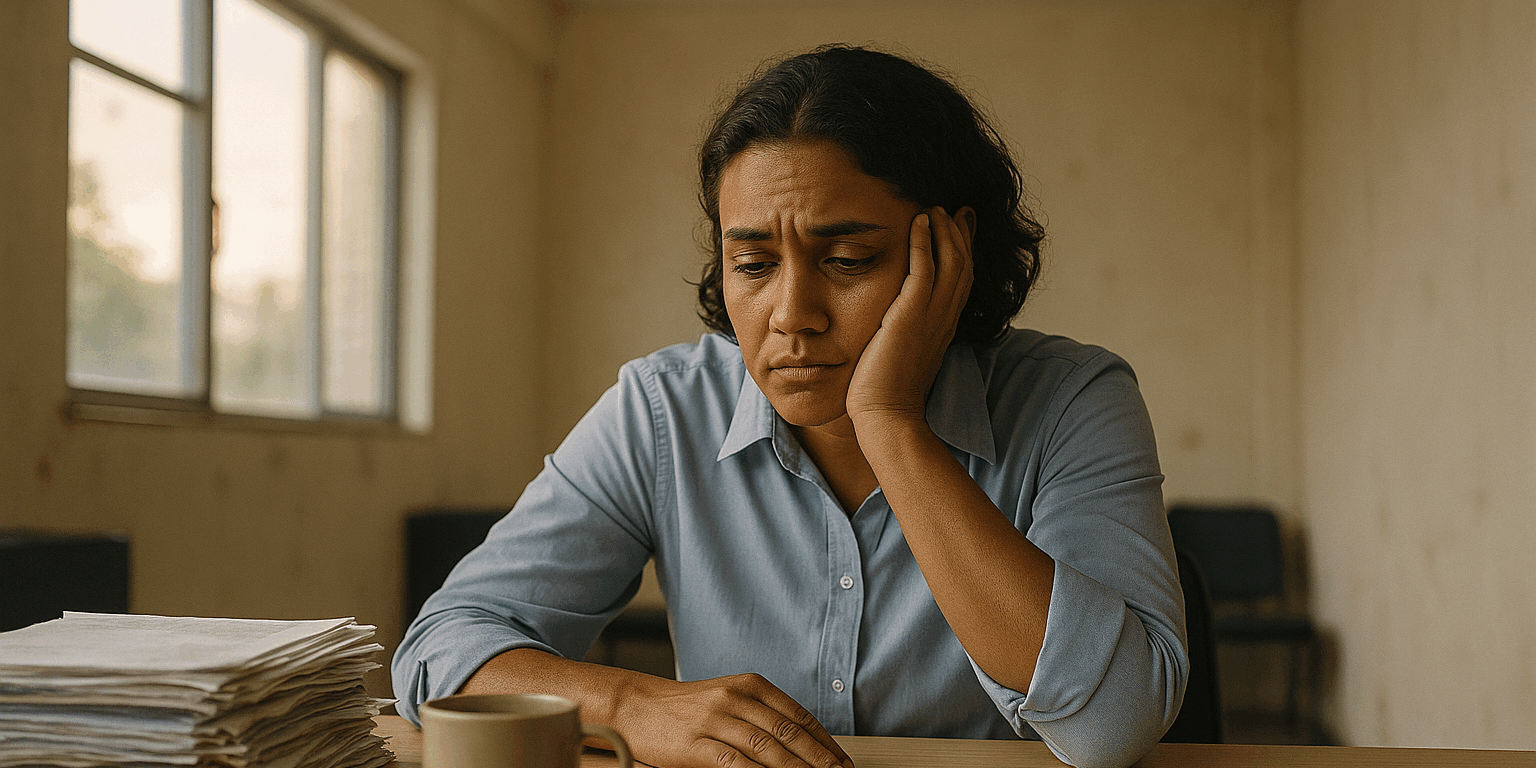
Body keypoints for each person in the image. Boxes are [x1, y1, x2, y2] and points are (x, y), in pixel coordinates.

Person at [393, 45, 1186, 768]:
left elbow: (1112, 727)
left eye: (848, 260)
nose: (791, 312)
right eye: (753, 263)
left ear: (949, 250)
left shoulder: (1072, 401)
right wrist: (632, 704)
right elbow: (441, 647)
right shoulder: (664, 408)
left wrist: (891, 423)